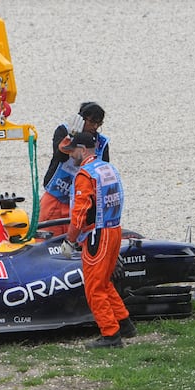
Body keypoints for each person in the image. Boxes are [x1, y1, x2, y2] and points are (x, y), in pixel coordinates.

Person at [59, 132, 136, 348]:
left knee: (94, 287)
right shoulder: (108, 168)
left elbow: (80, 213)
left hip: (97, 235)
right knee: (105, 282)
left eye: (73, 150)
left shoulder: (85, 175)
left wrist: (70, 240)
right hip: (114, 230)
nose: (71, 154)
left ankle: (110, 335)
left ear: (83, 150)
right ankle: (125, 324)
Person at [39, 102, 110, 237]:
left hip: (82, 203)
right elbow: (60, 156)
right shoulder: (63, 131)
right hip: (56, 197)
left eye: (99, 124)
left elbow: (102, 173)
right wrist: (71, 138)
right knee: (43, 241)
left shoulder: (102, 143)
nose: (95, 127)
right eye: (92, 122)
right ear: (82, 119)